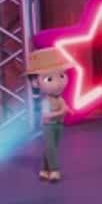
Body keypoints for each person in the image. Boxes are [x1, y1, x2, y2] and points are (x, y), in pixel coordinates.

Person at [27, 48, 72, 181]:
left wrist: (65, 110)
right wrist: (61, 112)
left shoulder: (59, 98)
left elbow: (64, 106)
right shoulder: (45, 101)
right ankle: (54, 170)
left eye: (62, 76)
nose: (58, 83)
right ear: (35, 82)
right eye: (49, 79)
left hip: (59, 125)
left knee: (52, 148)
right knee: (51, 147)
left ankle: (44, 169)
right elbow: (46, 116)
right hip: (49, 127)